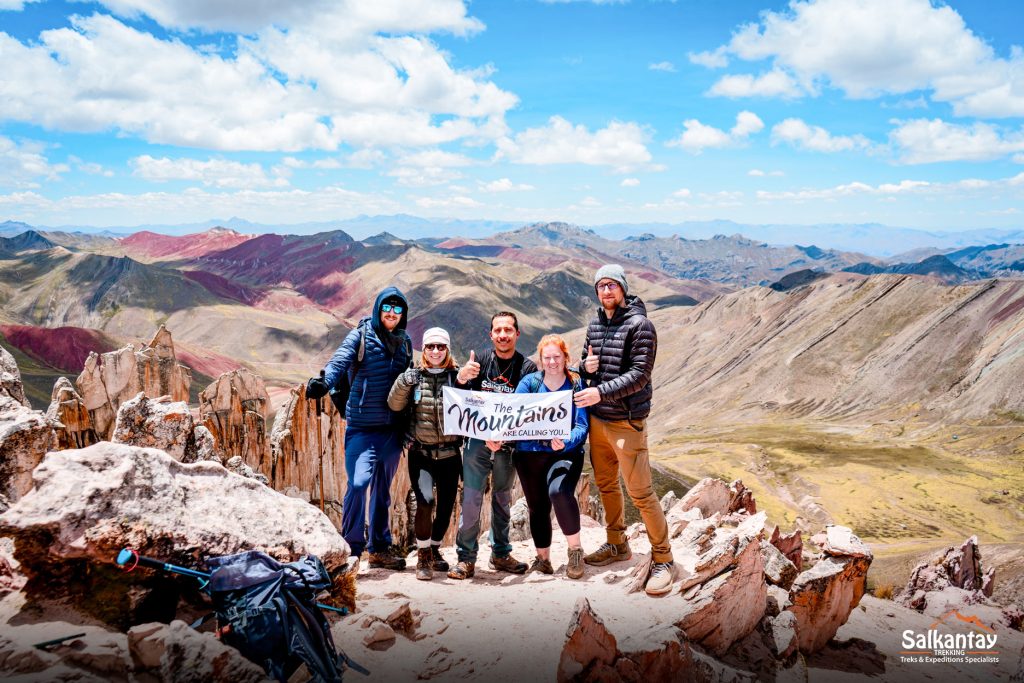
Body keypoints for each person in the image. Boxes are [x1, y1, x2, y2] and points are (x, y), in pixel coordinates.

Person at [573, 265, 675, 596]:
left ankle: (663, 558)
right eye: (600, 286)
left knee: (641, 493)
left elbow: (639, 375)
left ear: (623, 289)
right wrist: (584, 368)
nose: (606, 291)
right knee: (606, 485)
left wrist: (600, 391)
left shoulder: (640, 325)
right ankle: (617, 544)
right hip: (598, 421)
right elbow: (584, 364)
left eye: (612, 285)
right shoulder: (595, 325)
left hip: (626, 422)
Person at [306, 287, 413, 572]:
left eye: (398, 309)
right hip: (362, 429)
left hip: (392, 430)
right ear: (378, 309)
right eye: (387, 307)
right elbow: (339, 362)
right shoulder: (361, 335)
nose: (392, 313)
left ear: (403, 314)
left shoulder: (405, 342)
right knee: (357, 484)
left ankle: (379, 548)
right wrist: (324, 383)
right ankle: (352, 548)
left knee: (382, 492)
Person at [448, 311, 537, 579]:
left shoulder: (527, 368)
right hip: (478, 442)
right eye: (498, 330)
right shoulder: (480, 362)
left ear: (517, 334)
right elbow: (461, 401)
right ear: (491, 334)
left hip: (508, 446)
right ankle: (466, 559)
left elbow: (529, 411)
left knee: (502, 500)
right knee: (472, 499)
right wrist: (462, 377)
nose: (503, 335)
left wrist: (504, 436)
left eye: (508, 330)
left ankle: (500, 554)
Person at [387, 327, 463, 581]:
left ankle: (433, 549)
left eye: (441, 347)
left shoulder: (457, 377)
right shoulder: (413, 377)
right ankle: (422, 556)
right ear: (424, 350)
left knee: (446, 507)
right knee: (425, 501)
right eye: (430, 346)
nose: (435, 351)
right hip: (421, 454)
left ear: (447, 350)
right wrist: (402, 383)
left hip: (451, 454)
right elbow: (394, 404)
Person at [514, 334, 589, 578]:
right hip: (530, 454)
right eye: (547, 357)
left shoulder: (576, 384)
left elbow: (582, 424)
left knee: (559, 491)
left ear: (566, 357)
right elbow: (514, 417)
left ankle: (575, 550)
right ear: (541, 360)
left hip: (564, 453)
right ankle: (543, 559)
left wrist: (566, 441)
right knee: (537, 507)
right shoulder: (529, 383)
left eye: (557, 356)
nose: (553, 362)